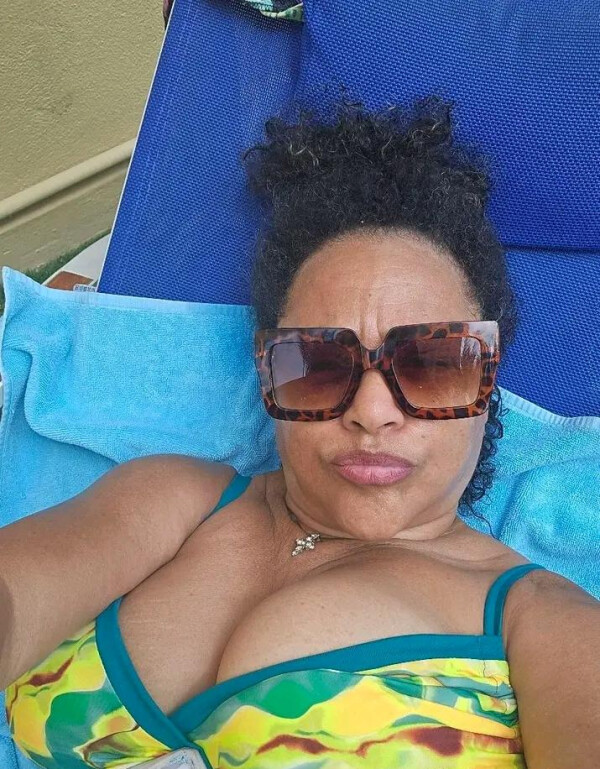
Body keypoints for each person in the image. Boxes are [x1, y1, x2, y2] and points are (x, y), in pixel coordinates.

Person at [2, 98, 599, 769]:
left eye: (433, 363)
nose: (372, 412)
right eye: (317, 362)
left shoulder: (540, 619)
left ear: (488, 380)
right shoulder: (171, 499)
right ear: (268, 374)